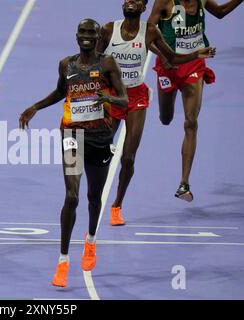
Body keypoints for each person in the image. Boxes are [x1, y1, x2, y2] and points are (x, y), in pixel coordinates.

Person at [19, 19, 129, 287]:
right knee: (71, 196)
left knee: (94, 197)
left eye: (91, 32)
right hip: (72, 134)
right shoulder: (65, 64)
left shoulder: (107, 64)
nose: (87, 36)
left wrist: (109, 99)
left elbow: (125, 98)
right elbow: (60, 91)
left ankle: (90, 240)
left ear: (96, 36)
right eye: (82, 32)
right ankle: (63, 260)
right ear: (76, 36)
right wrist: (36, 106)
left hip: (101, 137)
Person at [98, 0, 215, 225]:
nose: (131, 1)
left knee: (129, 158)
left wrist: (197, 54)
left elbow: (171, 57)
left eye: (138, 0)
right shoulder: (108, 29)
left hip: (136, 97)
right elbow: (93, 60)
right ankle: (96, 187)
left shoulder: (150, 31)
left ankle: (117, 206)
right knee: (101, 150)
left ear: (144, 8)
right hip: (111, 94)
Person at [148, 0, 243, 201]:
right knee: (165, 118)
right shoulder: (164, 2)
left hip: (194, 64)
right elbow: (148, 34)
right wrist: (163, 56)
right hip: (169, 65)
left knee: (191, 122)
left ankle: (184, 183)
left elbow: (221, 11)